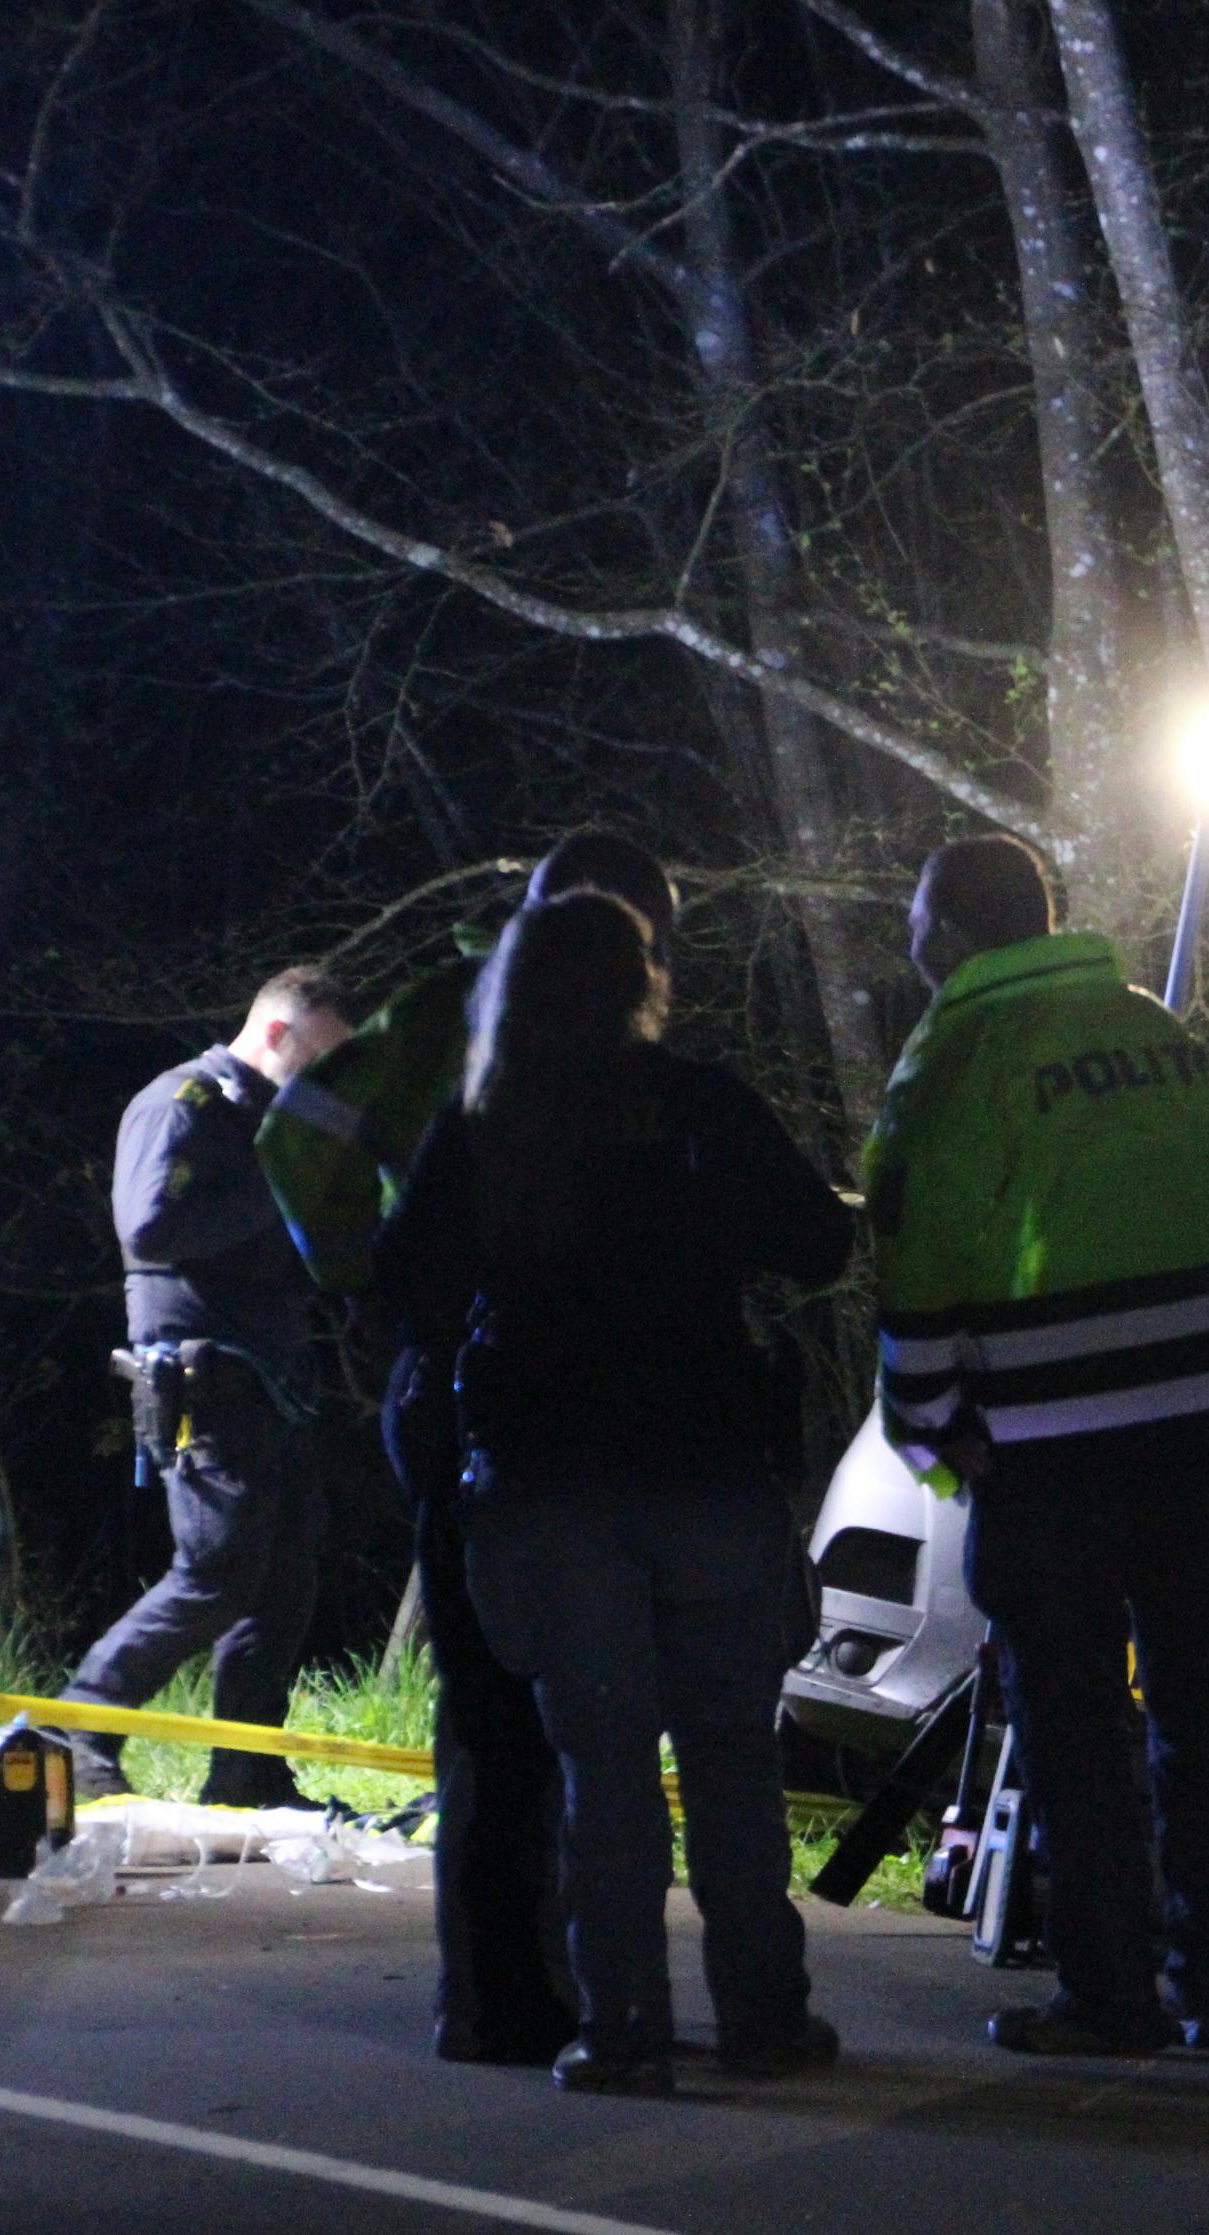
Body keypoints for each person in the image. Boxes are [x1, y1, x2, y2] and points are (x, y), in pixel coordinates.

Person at [381, 892, 852, 2094]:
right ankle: (765, 2017)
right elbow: (820, 1244)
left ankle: (626, 2028)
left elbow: (404, 1288)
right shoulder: (704, 1105)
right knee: (734, 1757)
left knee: (602, 1772)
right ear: (641, 983)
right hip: (707, 1469)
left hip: (548, 1485)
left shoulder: (485, 1124)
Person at [864, 833, 1209, 2057]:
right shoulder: (1158, 1034)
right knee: (1200, 1722)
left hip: (1057, 1456)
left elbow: (923, 1261)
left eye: (918, 916)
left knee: (1070, 1724)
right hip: (1208, 1438)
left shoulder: (954, 1059)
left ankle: (1106, 1992)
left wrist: (930, 1434)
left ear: (951, 937)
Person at [257, 832, 679, 2067]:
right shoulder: (499, 1019)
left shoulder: (448, 1013)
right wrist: (364, 1277)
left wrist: (369, 1284)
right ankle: (523, 1991)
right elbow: (300, 1140)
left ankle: (506, 1991)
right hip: (510, 1392)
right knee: (536, 1703)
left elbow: (308, 1148)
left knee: (498, 1706)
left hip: (458, 1381)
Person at [66, 965, 357, 1809]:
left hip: (277, 1382)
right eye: (322, 1059)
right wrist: (282, 1175)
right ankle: (81, 1725)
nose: (326, 1083)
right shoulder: (181, 1104)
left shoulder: (266, 1125)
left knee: (286, 1582)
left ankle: (245, 1769)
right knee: (217, 1571)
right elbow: (149, 1224)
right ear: (276, 1033)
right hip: (203, 1376)